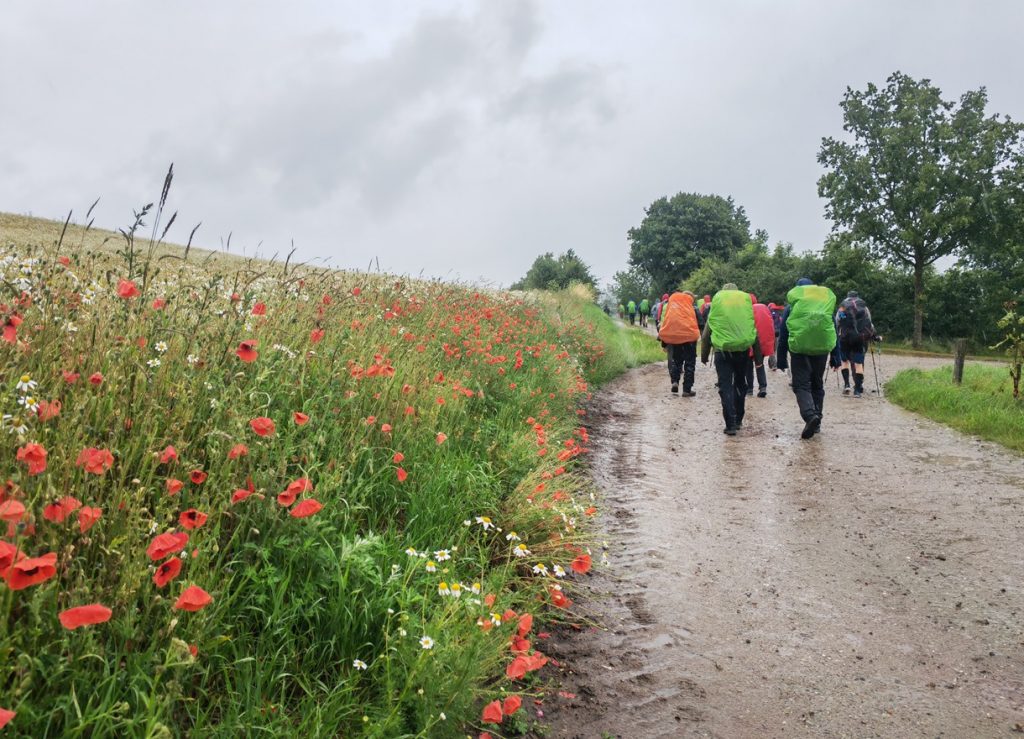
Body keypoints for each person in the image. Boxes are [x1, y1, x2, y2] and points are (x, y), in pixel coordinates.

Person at [775, 278, 838, 440]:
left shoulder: (792, 307)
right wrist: (836, 355)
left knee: (801, 385)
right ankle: (817, 420)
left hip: (799, 350)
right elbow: (833, 331)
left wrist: (781, 358)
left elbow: (784, 334)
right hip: (821, 349)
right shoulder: (824, 307)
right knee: (817, 384)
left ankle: (810, 416)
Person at [700, 283, 761, 435]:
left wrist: (704, 355)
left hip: (723, 352)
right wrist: (758, 358)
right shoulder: (745, 304)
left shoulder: (718, 304)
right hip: (742, 351)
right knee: (740, 384)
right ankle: (739, 419)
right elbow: (753, 330)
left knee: (725, 386)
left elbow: (707, 332)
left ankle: (731, 424)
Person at [834, 290, 879, 397]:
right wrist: (873, 335)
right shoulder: (864, 307)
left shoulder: (843, 306)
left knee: (845, 362)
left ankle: (846, 385)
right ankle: (858, 390)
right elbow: (869, 323)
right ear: (857, 297)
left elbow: (837, 322)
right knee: (859, 364)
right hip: (859, 338)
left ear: (847, 297)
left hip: (845, 338)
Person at [658, 291, 702, 396]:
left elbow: (667, 324)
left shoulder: (673, 308)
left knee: (676, 361)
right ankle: (687, 389)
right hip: (690, 339)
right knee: (690, 363)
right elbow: (701, 323)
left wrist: (664, 343)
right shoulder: (693, 308)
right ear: (690, 298)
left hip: (676, 338)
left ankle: (675, 381)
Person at [745, 294, 776, 398]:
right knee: (759, 364)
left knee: (748, 365)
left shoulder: (747, 309)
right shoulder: (764, 307)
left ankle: (749, 389)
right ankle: (763, 387)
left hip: (751, 340)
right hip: (763, 341)